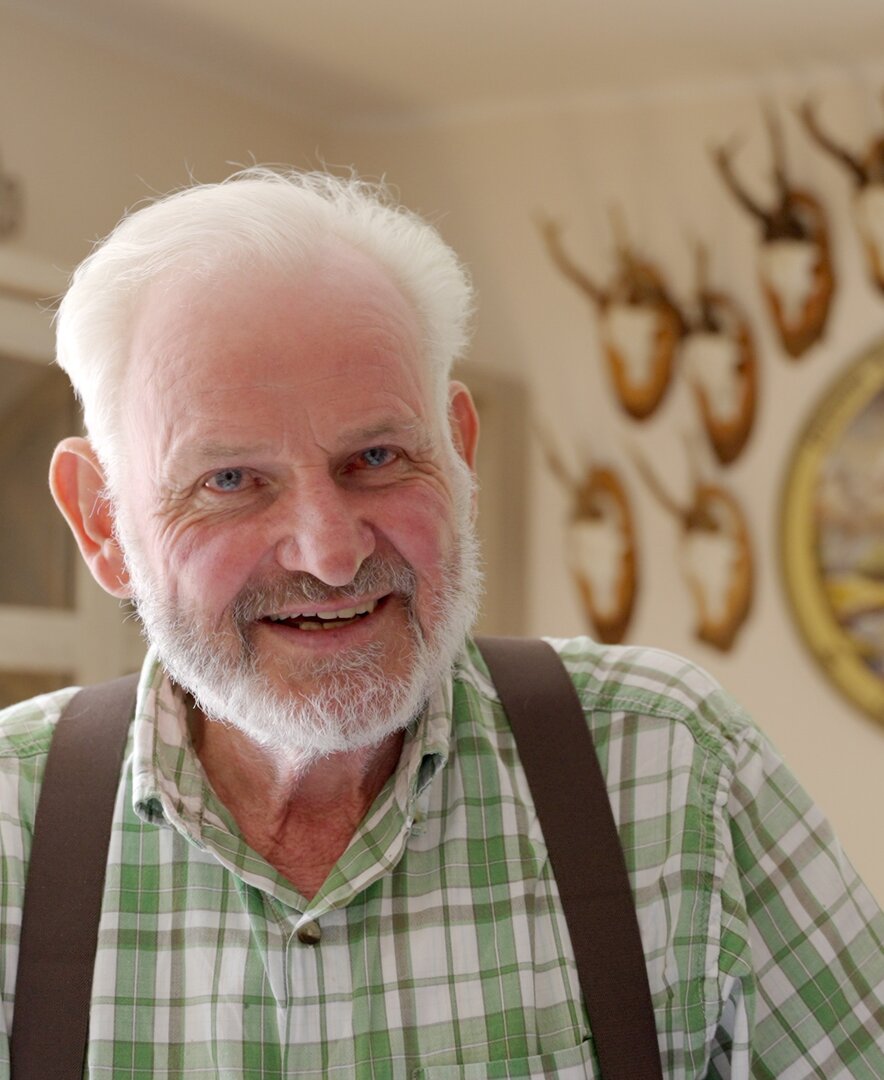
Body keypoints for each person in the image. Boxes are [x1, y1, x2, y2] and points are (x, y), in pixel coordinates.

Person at [0, 167, 881, 1079]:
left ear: (458, 456)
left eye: (376, 458)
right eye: (231, 482)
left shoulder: (669, 767)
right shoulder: (9, 830)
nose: (330, 554)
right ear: (103, 521)